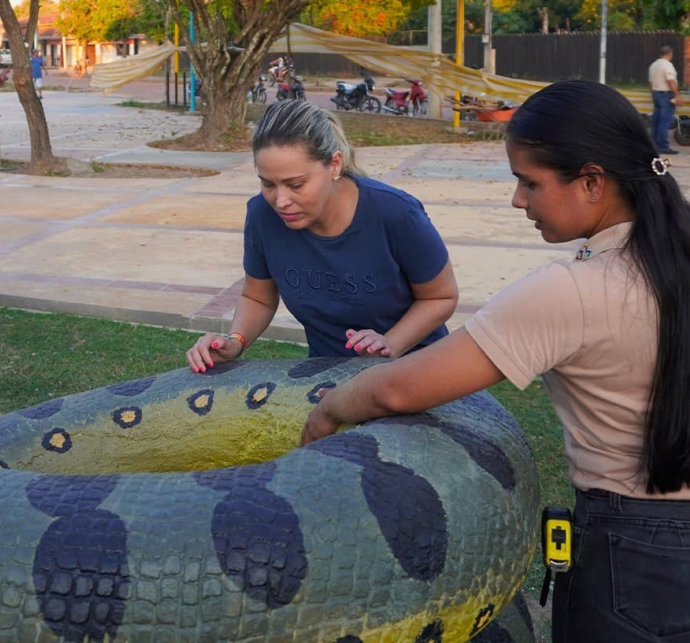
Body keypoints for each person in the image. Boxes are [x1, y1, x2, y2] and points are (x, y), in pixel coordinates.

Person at [301, 79, 690, 642]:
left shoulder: (573, 290)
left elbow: (401, 390)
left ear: (591, 182)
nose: (517, 200)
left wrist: (331, 408)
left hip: (633, 553)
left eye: (529, 182)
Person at [186, 99, 457, 372]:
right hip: (325, 374)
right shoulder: (262, 215)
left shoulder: (396, 213)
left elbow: (440, 297)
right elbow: (258, 297)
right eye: (268, 184)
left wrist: (388, 343)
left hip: (418, 370)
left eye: (296, 185)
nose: (280, 201)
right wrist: (235, 340)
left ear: (335, 164)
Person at [648, 44, 681, 155]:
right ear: (669, 54)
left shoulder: (653, 65)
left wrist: (653, 94)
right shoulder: (667, 65)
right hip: (667, 95)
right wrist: (677, 95)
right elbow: (670, 80)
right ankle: (663, 146)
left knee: (656, 122)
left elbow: (651, 83)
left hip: (656, 94)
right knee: (664, 122)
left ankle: (654, 145)